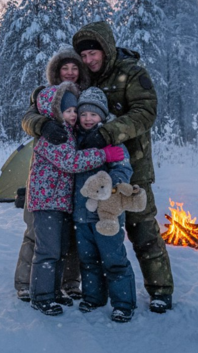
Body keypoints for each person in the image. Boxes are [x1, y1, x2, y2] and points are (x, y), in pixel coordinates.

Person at [22, 21, 174, 314]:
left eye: (94, 54)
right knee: (86, 237)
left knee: (142, 229)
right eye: (85, 57)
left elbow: (145, 112)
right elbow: (32, 114)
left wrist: (109, 133)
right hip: (88, 177)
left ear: (106, 49)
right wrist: (41, 124)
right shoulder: (78, 84)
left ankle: (160, 290)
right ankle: (84, 292)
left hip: (131, 165)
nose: (89, 61)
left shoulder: (131, 73)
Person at [26, 82, 122, 316]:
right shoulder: (53, 135)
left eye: (73, 111)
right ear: (54, 111)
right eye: (67, 111)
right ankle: (41, 296)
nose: (72, 116)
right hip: (47, 200)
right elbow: (71, 162)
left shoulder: (69, 132)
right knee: (47, 251)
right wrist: (102, 154)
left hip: (60, 201)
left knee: (59, 250)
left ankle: (55, 290)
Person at [14, 47, 89, 302]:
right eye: (64, 68)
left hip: (76, 179)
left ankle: (67, 283)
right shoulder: (44, 98)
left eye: (74, 68)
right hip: (49, 179)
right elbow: (27, 119)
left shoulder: (85, 96)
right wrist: (43, 125)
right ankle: (28, 283)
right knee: (38, 234)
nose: (69, 72)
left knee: (72, 236)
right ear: (55, 72)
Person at [73, 87, 137, 323]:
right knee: (88, 260)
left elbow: (123, 167)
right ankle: (93, 297)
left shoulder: (110, 140)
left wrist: (116, 183)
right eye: (84, 114)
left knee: (114, 259)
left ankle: (123, 303)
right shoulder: (75, 140)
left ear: (102, 116)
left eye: (93, 114)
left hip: (107, 215)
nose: (88, 119)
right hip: (81, 214)